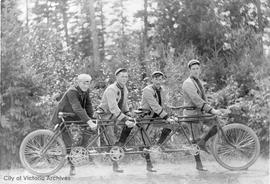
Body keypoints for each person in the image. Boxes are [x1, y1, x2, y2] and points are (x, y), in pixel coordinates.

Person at [50, 74, 97, 176]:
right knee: (68, 141)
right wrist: (89, 121)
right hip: (62, 115)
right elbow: (77, 107)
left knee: (91, 128)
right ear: (78, 82)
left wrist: (91, 119)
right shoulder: (72, 91)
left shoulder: (86, 91)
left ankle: (81, 151)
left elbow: (88, 105)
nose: (86, 85)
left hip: (72, 114)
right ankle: (72, 166)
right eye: (84, 82)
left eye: (88, 82)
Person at [182, 59, 222, 171]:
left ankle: (203, 142)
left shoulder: (197, 81)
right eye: (193, 69)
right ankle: (199, 165)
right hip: (191, 114)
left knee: (216, 126)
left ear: (200, 69)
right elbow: (196, 100)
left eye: (197, 68)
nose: (195, 71)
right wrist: (211, 110)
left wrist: (209, 109)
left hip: (199, 113)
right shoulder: (188, 83)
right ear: (189, 70)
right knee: (195, 140)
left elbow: (202, 98)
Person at [97, 68, 136, 173]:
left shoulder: (124, 89)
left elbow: (124, 104)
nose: (124, 79)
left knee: (131, 123)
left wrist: (128, 115)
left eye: (126, 76)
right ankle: (115, 165)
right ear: (117, 77)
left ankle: (121, 145)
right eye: (122, 76)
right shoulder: (111, 89)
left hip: (116, 116)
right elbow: (113, 107)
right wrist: (125, 119)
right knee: (112, 139)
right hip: (106, 116)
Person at [140, 71, 172, 172]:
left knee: (171, 125)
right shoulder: (147, 90)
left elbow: (164, 104)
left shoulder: (162, 90)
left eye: (160, 79)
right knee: (146, 141)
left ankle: (158, 146)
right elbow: (154, 105)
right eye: (156, 79)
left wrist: (170, 115)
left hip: (157, 116)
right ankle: (149, 165)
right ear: (152, 79)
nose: (158, 81)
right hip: (147, 116)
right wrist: (166, 116)